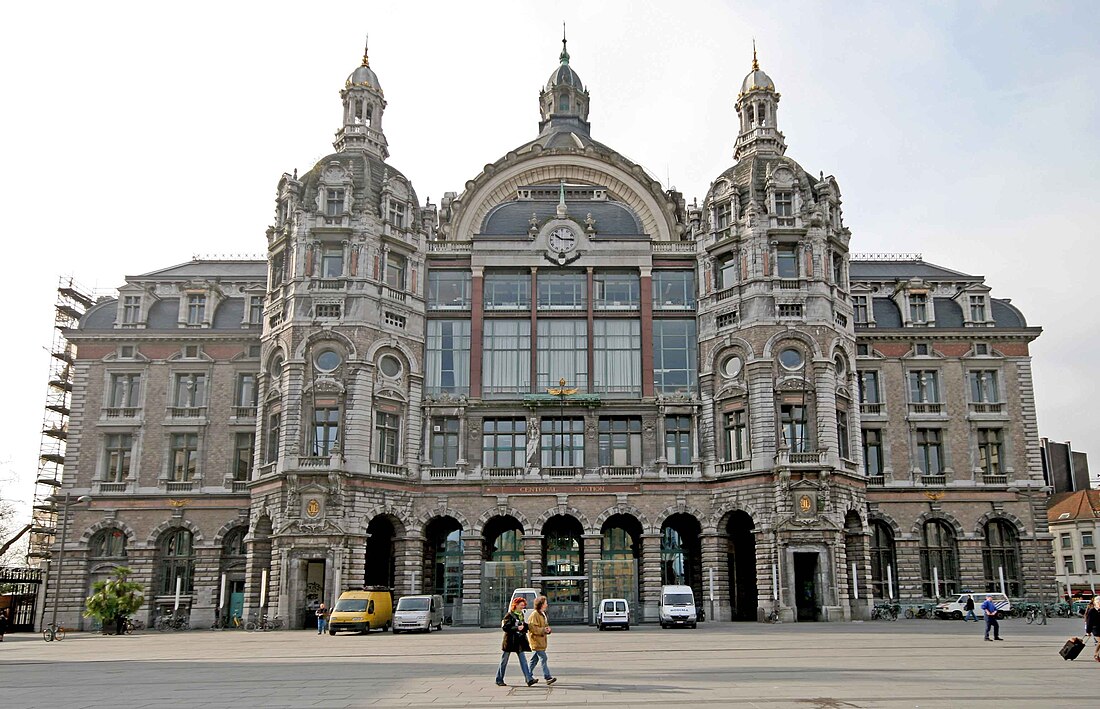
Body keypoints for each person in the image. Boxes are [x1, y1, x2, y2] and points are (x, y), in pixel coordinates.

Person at [496, 597, 537, 687]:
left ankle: (529, 679)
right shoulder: (509, 615)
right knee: (504, 661)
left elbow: (523, 625)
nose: (523, 607)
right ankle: (499, 679)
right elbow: (505, 627)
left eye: (523, 605)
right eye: (521, 605)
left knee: (523, 661)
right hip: (509, 641)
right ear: (516, 605)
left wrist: (528, 627)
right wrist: (516, 628)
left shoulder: (521, 614)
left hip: (519, 641)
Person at [527, 596, 557, 685]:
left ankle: (528, 676)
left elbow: (545, 625)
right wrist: (543, 630)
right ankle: (547, 677)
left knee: (534, 660)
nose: (547, 604)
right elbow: (533, 628)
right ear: (541, 604)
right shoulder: (534, 615)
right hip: (536, 641)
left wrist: (548, 630)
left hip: (541, 641)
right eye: (545, 603)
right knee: (544, 658)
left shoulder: (542, 614)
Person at [1084, 596, 1100, 661]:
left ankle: (1097, 654)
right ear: (1096, 603)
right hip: (1095, 628)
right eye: (1099, 603)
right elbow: (1089, 622)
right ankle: (1096, 654)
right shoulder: (1092, 611)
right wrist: (1088, 631)